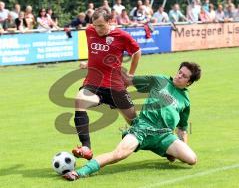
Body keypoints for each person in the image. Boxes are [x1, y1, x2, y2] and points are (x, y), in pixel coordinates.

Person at [63, 62, 201, 181]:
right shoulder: (160, 80)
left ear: (189, 82)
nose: (179, 76)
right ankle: (80, 172)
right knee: (118, 155)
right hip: (142, 128)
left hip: (165, 135)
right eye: (179, 72)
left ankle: (168, 152)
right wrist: (91, 66)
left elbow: (182, 128)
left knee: (191, 159)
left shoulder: (185, 100)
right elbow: (127, 79)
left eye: (184, 76)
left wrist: (181, 148)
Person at [72, 7, 141, 160]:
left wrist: (130, 75)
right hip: (93, 83)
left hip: (115, 86)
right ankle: (86, 147)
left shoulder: (121, 36)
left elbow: (136, 52)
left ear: (110, 21)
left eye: (101, 25)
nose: (97, 29)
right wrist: (88, 64)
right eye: (95, 25)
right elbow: (97, 54)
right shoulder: (89, 31)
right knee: (79, 100)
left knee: (136, 124)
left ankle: (164, 147)